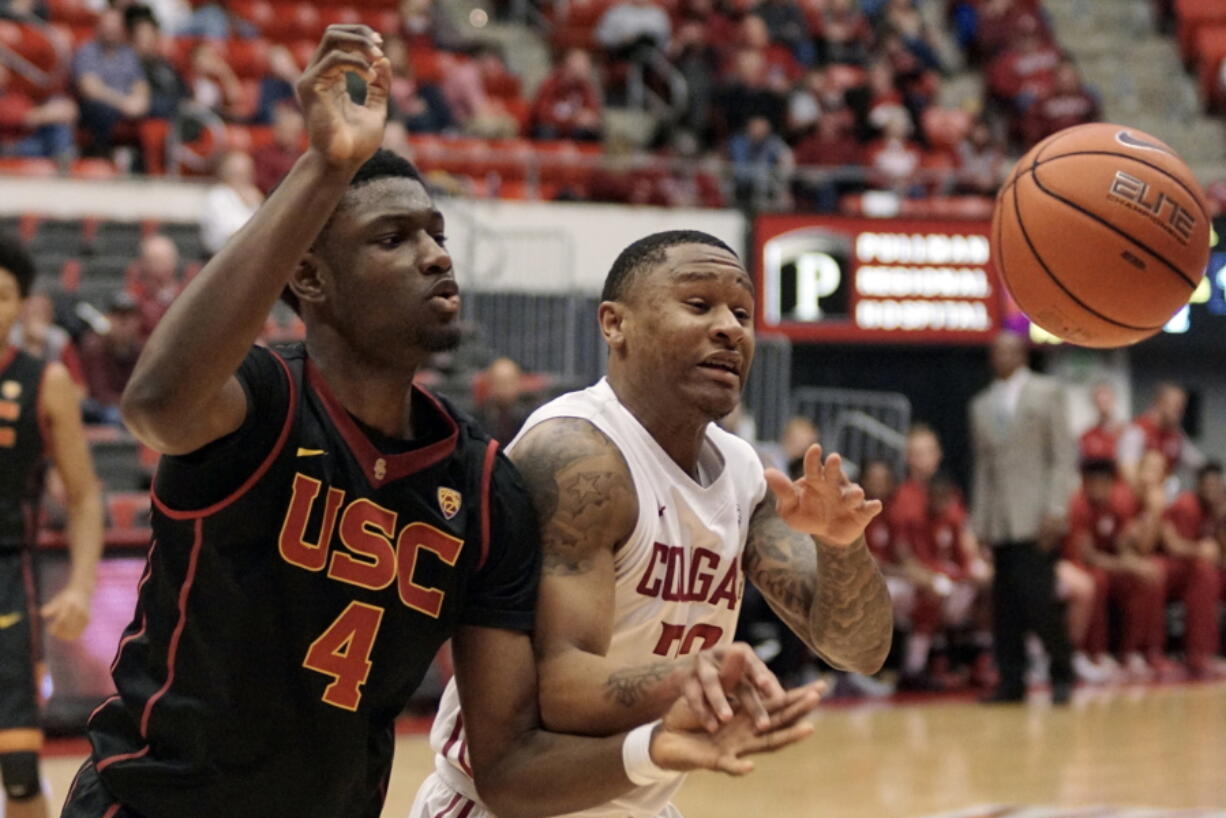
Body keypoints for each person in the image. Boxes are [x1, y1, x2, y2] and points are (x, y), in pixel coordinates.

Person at [61, 27, 822, 818]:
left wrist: (652, 747)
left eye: (436, 233)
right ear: (311, 280)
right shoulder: (260, 402)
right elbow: (154, 401)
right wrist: (326, 165)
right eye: (393, 238)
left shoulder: (481, 482)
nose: (434, 255)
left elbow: (512, 767)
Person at [415, 229, 893, 817]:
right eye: (698, 305)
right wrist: (692, 676)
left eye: (742, 313)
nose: (730, 327)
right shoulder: (576, 456)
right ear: (615, 324)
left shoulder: (745, 472)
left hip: (637, 796)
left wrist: (842, 548)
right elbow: (554, 688)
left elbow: (857, 650)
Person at [0, 235, 104, 818]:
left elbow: (86, 497)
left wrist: (81, 585)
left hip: (9, 577)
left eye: (4, 296)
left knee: (17, 768)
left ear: (22, 307)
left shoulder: (46, 381)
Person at [969, 331, 1077, 704]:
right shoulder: (981, 404)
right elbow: (983, 469)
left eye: (1009, 350)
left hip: (1036, 516)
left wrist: (1057, 510)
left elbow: (1062, 457)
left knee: (1040, 602)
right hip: (1000, 519)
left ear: (1023, 355)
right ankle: (1011, 681)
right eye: (996, 351)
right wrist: (980, 524)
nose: (1002, 356)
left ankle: (1061, 674)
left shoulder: (1048, 393)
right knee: (1006, 607)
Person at [1065, 458, 1161, 681]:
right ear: (1084, 483)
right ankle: (1093, 654)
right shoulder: (1077, 506)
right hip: (1078, 566)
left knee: (1144, 575)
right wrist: (1126, 564)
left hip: (1107, 564)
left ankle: (1131, 653)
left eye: (1103, 483)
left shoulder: (1120, 502)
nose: (1098, 489)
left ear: (1111, 484)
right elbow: (1087, 556)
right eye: (1093, 483)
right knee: (1097, 580)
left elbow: (1123, 544)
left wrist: (1133, 555)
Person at [1160, 462, 1224, 678]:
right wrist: (1199, 550)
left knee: (1210, 574)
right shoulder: (1186, 505)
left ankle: (1211, 652)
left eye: (1217, 484)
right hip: (1171, 567)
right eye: (1208, 484)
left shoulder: (1216, 509)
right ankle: (1199, 656)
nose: (1212, 489)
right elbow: (1172, 546)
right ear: (1198, 485)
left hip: (1195, 569)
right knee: (1205, 575)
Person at [72, 7, 150, 157]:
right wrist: (124, 103)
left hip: (127, 105)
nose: (110, 31)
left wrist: (141, 101)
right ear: (98, 27)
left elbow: (140, 83)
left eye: (114, 27)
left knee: (159, 108)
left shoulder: (128, 54)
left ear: (122, 29)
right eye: (106, 26)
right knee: (101, 110)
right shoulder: (87, 51)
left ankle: (144, 165)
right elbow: (89, 88)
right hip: (101, 105)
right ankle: (101, 156)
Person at [1118, 382, 1205, 487]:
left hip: (1163, 493)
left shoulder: (1177, 435)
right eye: (1176, 406)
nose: (1181, 412)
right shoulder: (1137, 431)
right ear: (1160, 403)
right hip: (1140, 493)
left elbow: (1200, 465)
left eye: (1182, 407)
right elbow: (1128, 472)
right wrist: (1148, 494)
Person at [78, 292, 145, 426]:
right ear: (108, 319)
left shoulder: (143, 350)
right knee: (112, 415)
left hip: (133, 407)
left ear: (137, 321)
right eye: (119, 317)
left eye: (129, 317)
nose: (124, 323)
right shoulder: (95, 348)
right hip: (103, 407)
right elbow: (99, 392)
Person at [200, 150, 264, 255]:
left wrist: (257, 205)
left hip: (255, 254)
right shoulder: (217, 196)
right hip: (221, 258)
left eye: (247, 173)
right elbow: (226, 234)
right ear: (225, 174)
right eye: (237, 173)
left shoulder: (256, 197)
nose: (243, 178)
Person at [125, 234, 182, 339]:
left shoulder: (184, 293)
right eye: (155, 260)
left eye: (166, 259)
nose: (163, 265)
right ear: (144, 263)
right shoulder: (135, 296)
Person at [473, 356, 532, 446]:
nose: (505, 388)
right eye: (500, 382)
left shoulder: (528, 419)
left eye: (510, 382)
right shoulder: (476, 419)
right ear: (490, 384)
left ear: (519, 383)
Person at [1080, 381, 1123, 463]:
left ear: (1114, 399)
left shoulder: (1126, 432)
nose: (1102, 405)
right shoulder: (1086, 437)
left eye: (1106, 401)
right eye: (1099, 402)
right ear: (1093, 402)